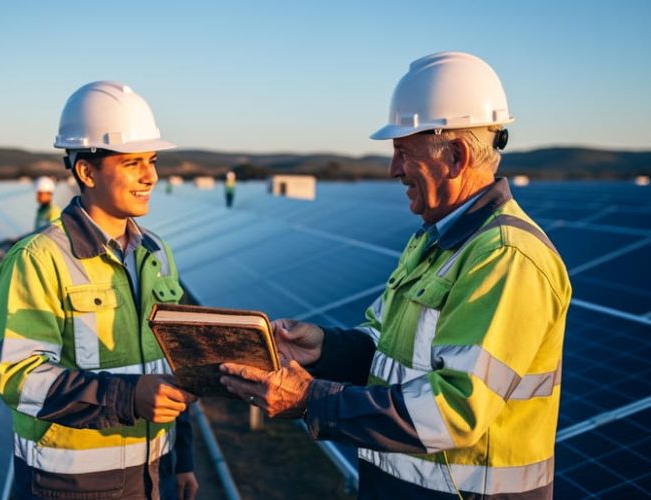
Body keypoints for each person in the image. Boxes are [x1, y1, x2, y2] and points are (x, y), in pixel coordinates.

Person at [220, 52, 571, 499]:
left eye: (403, 152)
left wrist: (311, 401)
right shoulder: (432, 242)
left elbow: (454, 411)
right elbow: (386, 347)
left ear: (458, 156)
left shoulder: (505, 258)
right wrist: (324, 348)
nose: (393, 169)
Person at [0, 81, 199, 500]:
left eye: (153, 160)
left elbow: (170, 362)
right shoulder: (38, 259)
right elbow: (21, 379)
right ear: (86, 172)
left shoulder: (156, 253)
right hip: (66, 486)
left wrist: (184, 460)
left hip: (152, 473)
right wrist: (128, 399)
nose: (151, 176)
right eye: (132, 163)